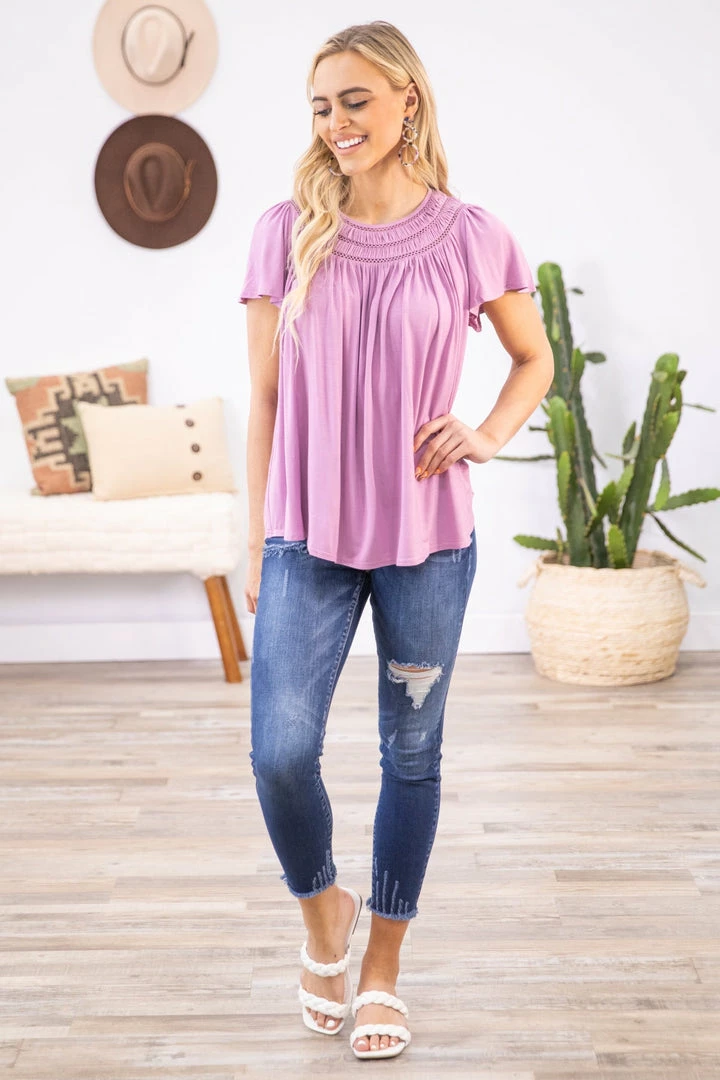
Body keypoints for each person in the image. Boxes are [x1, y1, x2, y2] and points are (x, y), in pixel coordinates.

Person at [239, 20, 553, 1061]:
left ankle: (381, 969)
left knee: (410, 755)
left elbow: (534, 358)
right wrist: (256, 539)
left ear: (407, 100)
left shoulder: (471, 235)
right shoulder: (284, 230)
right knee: (281, 754)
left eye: (356, 100)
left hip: (428, 543)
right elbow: (264, 399)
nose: (336, 122)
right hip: (306, 537)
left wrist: (486, 433)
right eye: (321, 106)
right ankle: (322, 913)